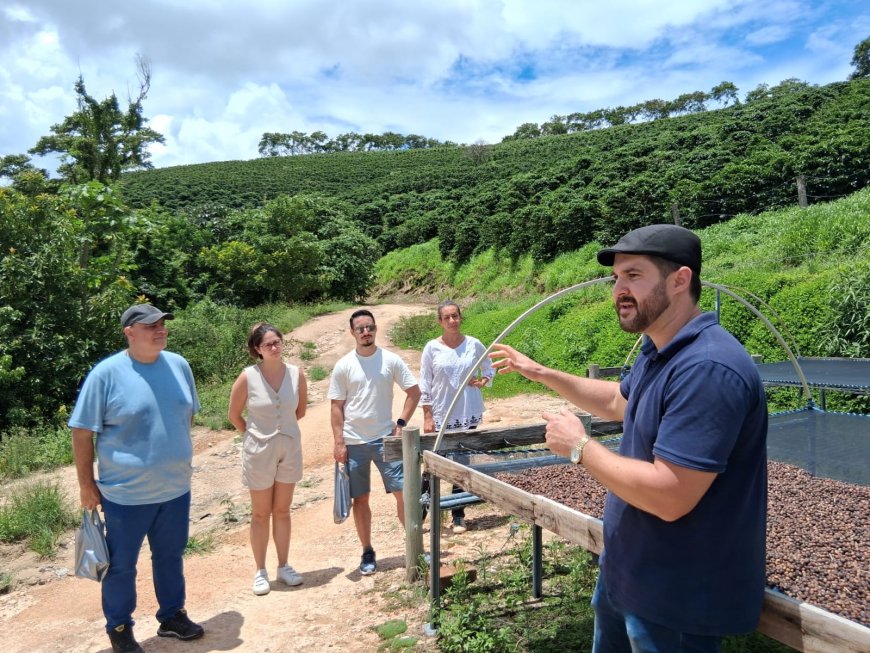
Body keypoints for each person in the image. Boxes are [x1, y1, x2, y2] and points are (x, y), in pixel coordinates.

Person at [491, 224, 768, 653]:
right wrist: (541, 373)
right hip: (629, 571)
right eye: (616, 278)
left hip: (675, 594)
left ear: (680, 280)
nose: (619, 289)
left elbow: (670, 495)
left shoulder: (707, 368)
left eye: (634, 276)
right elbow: (620, 402)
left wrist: (581, 448)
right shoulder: (658, 347)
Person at [69, 304, 205, 653]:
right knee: (121, 566)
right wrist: (87, 486)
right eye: (150, 326)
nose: (160, 330)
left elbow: (185, 417)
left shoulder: (179, 365)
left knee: (170, 556)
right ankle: (119, 628)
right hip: (125, 495)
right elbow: (82, 433)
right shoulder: (106, 374)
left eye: (162, 324)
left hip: (175, 488)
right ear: (129, 332)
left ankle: (172, 616)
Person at [327, 309, 420, 575]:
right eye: (360, 329)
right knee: (361, 499)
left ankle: (415, 546)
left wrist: (400, 424)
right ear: (353, 333)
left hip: (385, 440)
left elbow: (414, 392)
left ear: (376, 329)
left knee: (404, 493)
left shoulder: (390, 360)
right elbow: (336, 407)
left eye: (370, 327)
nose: (366, 332)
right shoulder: (344, 365)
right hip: (354, 442)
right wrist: (339, 442)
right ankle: (367, 551)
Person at [228, 323, 308, 596]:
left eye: (277, 342)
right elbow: (234, 415)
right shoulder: (248, 377)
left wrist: (279, 432)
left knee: (283, 510)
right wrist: (254, 436)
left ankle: (284, 566)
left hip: (289, 447)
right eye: (267, 345)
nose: (274, 348)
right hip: (258, 451)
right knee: (261, 513)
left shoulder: (296, 374)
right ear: (257, 350)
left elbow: (300, 411)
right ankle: (260, 570)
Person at [419, 300, 494, 533]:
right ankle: (420, 511)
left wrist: (484, 380)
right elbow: (425, 382)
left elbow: (489, 366)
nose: (452, 321)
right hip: (442, 412)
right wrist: (427, 415)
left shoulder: (474, 344)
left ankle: (458, 514)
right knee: (434, 462)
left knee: (462, 462)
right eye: (447, 317)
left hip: (468, 411)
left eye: (455, 316)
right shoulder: (432, 348)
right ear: (440, 321)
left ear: (460, 317)